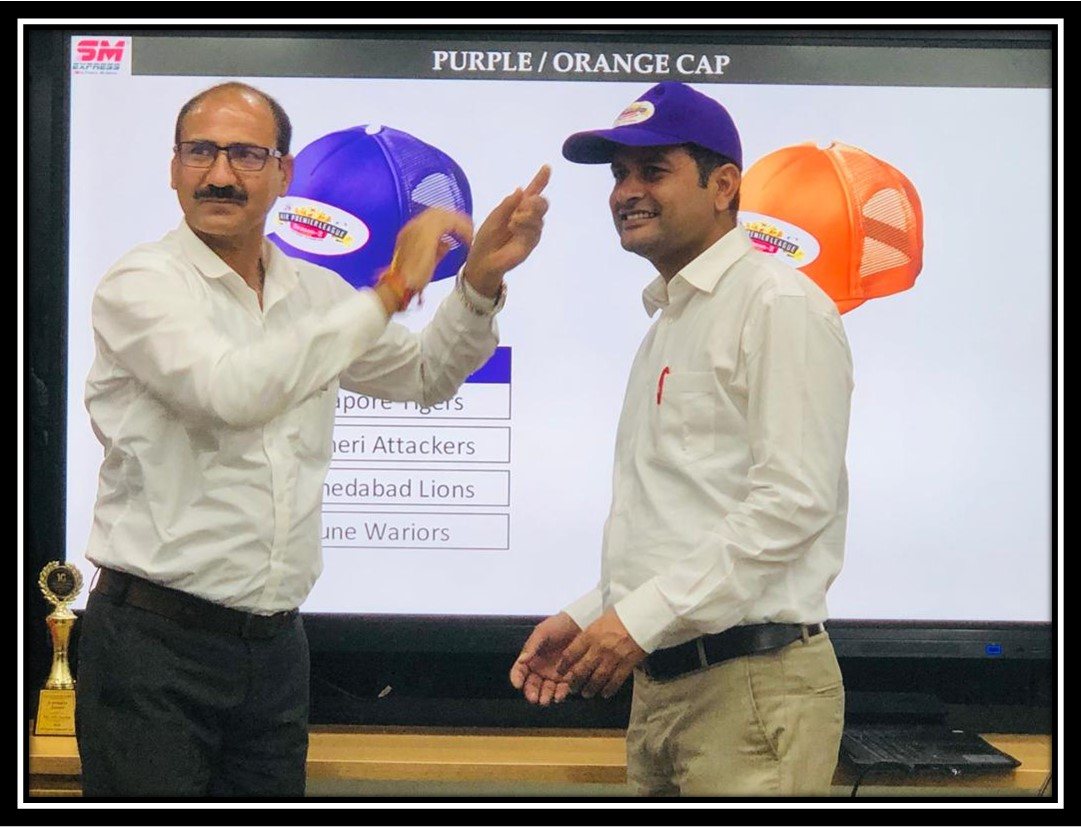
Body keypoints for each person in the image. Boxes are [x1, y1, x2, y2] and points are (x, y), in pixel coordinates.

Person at [75, 81, 549, 797]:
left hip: (275, 653)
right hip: (155, 647)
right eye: (200, 152)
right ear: (173, 168)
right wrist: (389, 290)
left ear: (284, 174)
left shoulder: (316, 293)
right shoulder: (142, 284)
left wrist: (477, 284)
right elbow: (232, 392)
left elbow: (426, 375)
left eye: (245, 155)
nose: (220, 174)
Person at [510, 81, 853, 797]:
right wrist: (590, 615)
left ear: (723, 186)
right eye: (618, 174)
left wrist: (637, 619)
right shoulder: (670, 320)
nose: (626, 192)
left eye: (653, 170)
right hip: (663, 689)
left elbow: (792, 503)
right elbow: (684, 517)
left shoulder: (779, 304)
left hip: (750, 691)